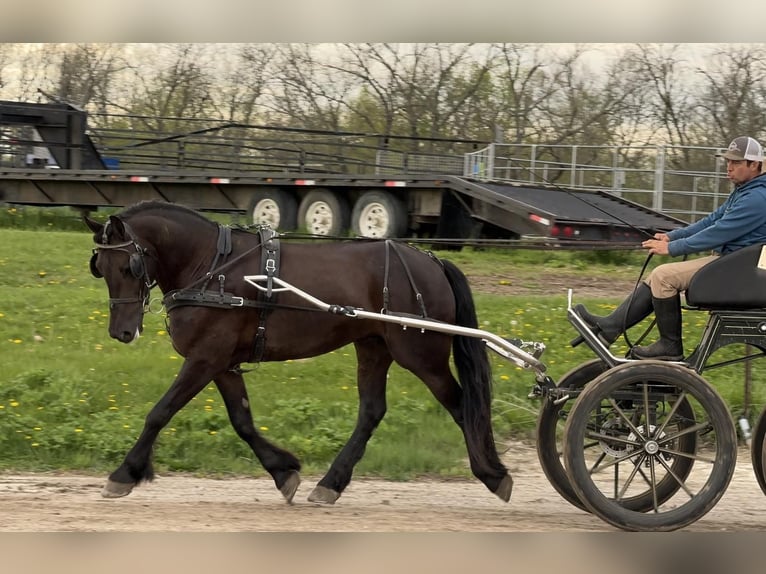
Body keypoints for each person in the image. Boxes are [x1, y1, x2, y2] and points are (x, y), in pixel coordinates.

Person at [575, 136, 766, 361]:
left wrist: (673, 248)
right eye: (727, 162)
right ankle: (611, 327)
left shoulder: (757, 199)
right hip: (731, 262)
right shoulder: (745, 191)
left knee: (664, 277)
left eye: (736, 163)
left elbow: (718, 232)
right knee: (658, 277)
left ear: (755, 165)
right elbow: (711, 221)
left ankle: (669, 346)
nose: (729, 168)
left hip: (739, 269)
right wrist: (671, 236)